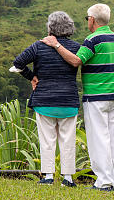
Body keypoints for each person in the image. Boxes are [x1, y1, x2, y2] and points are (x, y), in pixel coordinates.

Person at [42, 3, 114, 191]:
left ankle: (103, 182)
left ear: (92, 20)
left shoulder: (92, 40)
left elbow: (76, 61)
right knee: (112, 138)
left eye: (87, 18)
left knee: (98, 138)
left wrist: (56, 45)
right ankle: (113, 178)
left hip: (96, 96)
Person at [10, 11, 81, 187]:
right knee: (68, 141)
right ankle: (68, 178)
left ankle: (48, 175)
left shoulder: (39, 46)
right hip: (68, 101)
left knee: (47, 140)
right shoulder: (76, 48)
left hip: (44, 100)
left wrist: (31, 76)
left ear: (50, 28)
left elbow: (18, 63)